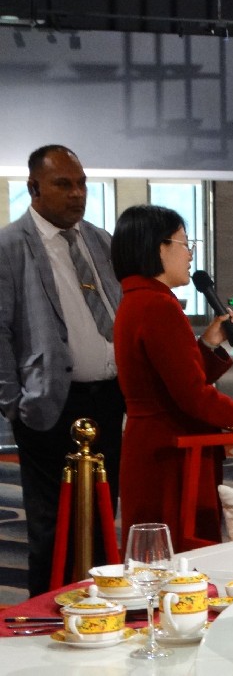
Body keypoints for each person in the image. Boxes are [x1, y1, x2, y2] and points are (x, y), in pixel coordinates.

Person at [112, 205, 233, 545]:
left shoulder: (137, 300)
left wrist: (207, 345)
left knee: (154, 553)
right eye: (184, 243)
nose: (190, 254)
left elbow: (168, 381)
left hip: (151, 442)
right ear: (159, 248)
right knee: (179, 554)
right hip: (172, 449)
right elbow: (192, 395)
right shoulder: (159, 305)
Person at [0, 144, 124, 596]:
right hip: (48, 404)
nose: (77, 194)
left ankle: (102, 611)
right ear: (34, 188)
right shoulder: (9, 247)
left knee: (103, 516)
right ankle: (45, 617)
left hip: (108, 399)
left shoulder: (100, 240)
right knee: (53, 526)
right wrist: (13, 404)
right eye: (64, 184)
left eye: (82, 184)